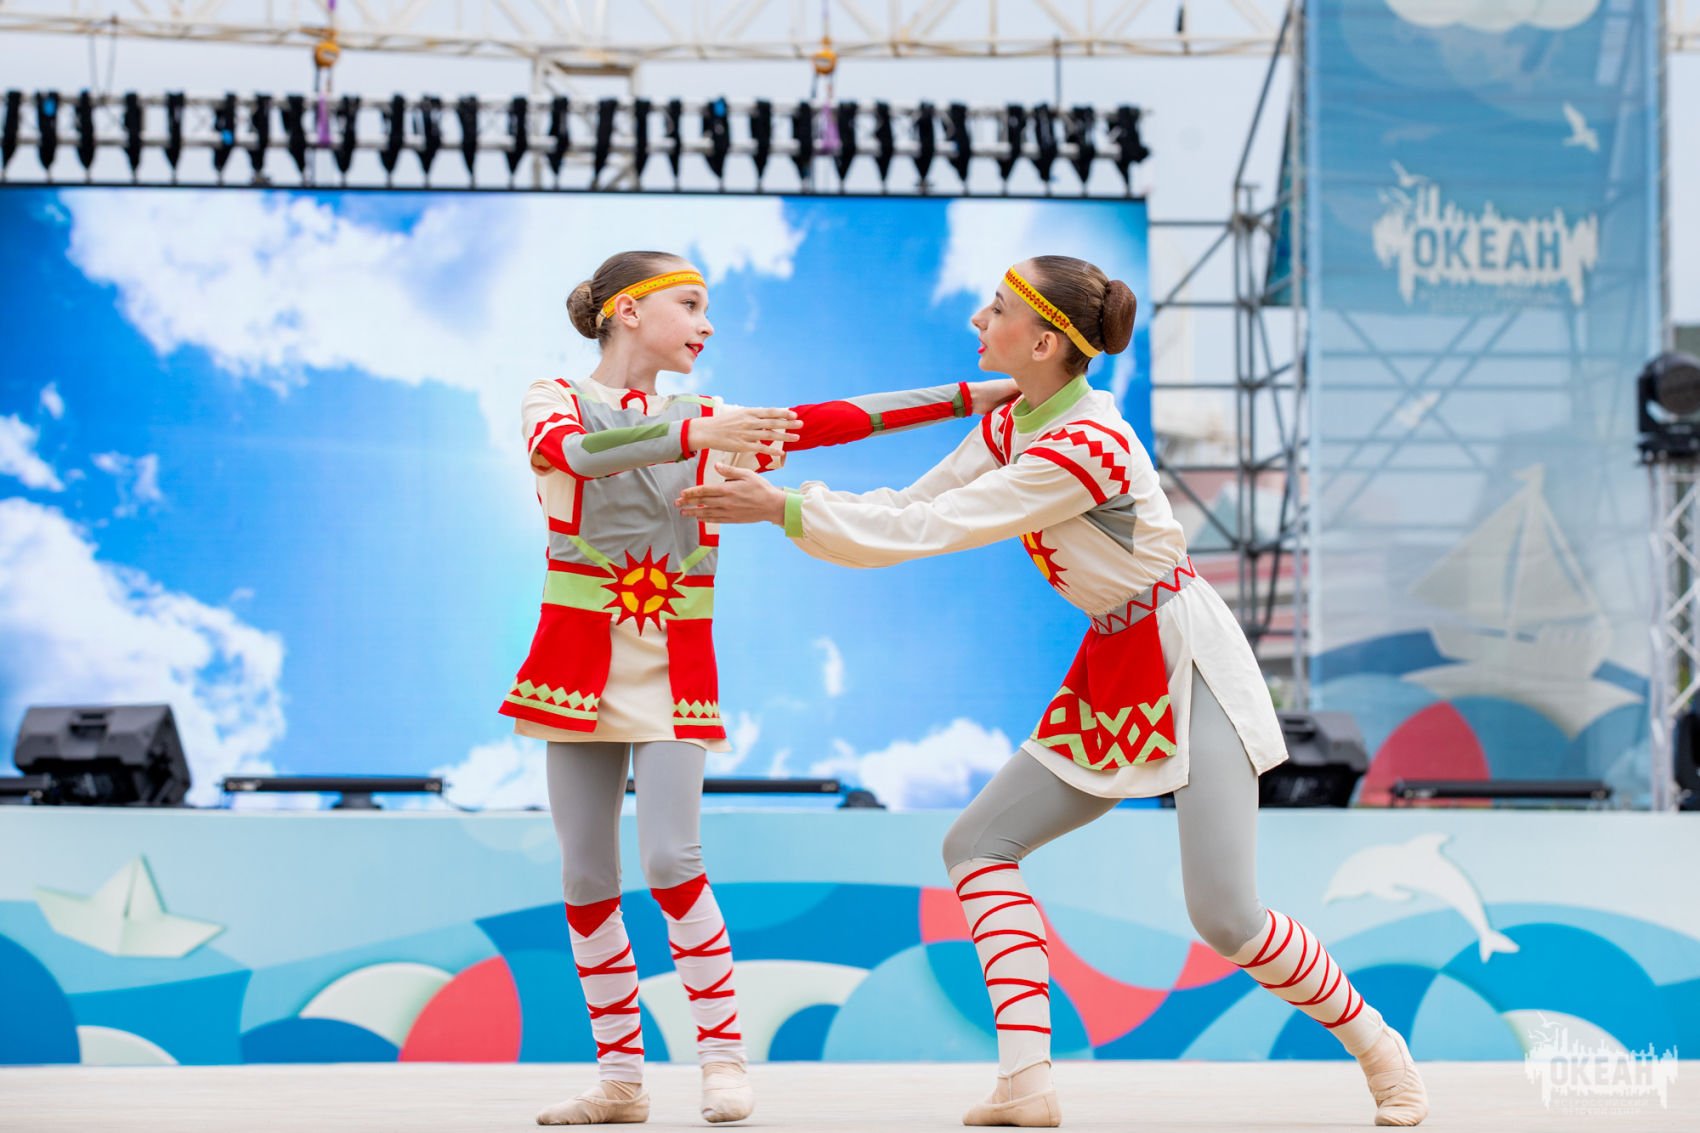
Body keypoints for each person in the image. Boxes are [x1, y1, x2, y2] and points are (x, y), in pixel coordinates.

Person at [677, 255, 1430, 1128]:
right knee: (976, 845)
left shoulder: (1085, 447)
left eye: (996, 309)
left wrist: (783, 507)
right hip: (1117, 655)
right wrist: (785, 499)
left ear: (1042, 343)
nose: (977, 320)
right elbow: (912, 503)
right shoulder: (1014, 424)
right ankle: (1026, 1082)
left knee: (1228, 918)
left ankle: (1383, 1050)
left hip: (1188, 658)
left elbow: (930, 526)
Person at [508, 249, 1014, 1126]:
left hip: (674, 667)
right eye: (690, 304)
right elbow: (573, 454)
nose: (706, 325)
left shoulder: (714, 418)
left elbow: (839, 420)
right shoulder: (556, 396)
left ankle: (723, 1061)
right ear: (627, 311)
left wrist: (986, 394)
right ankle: (621, 1080)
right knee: (586, 874)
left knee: (672, 861)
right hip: (574, 669)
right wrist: (699, 436)